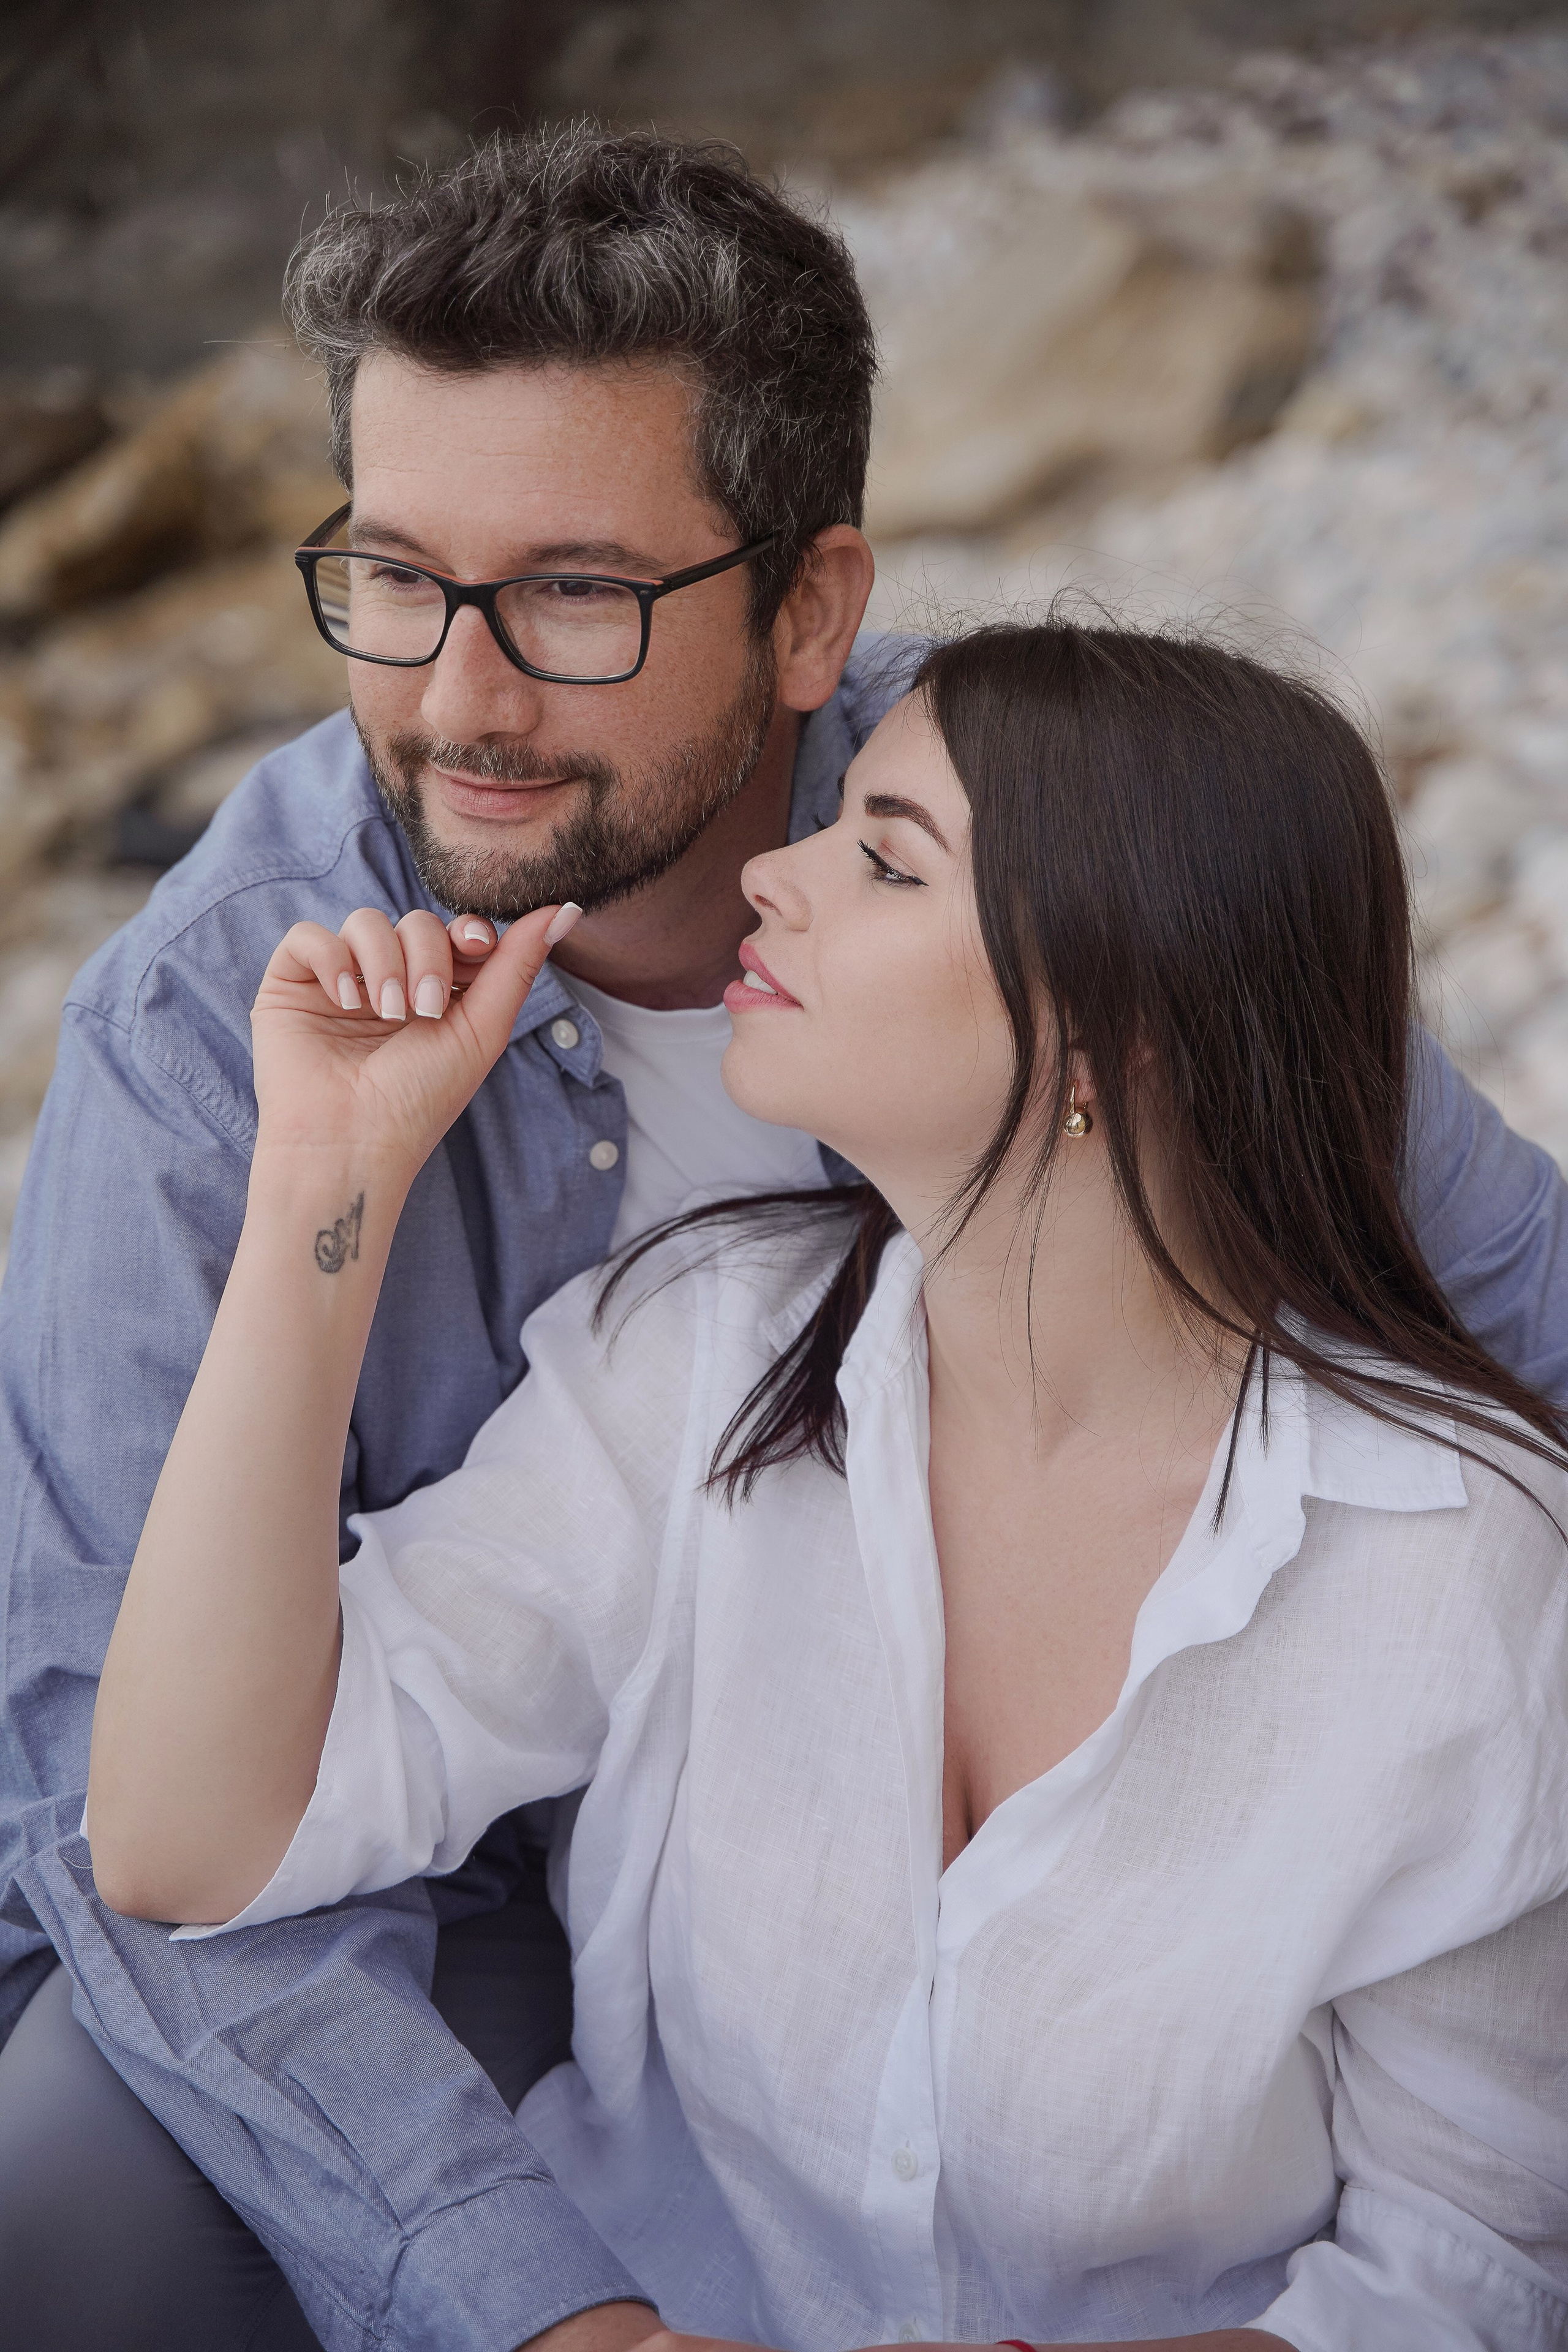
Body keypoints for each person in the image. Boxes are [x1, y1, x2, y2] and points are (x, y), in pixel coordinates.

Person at [0, 128, 1566, 2352]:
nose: (453, 700)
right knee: (55, 2183)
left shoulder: (1096, 855)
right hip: (431, 1881)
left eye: (569, 594)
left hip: (1055, 1983)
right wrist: (550, 2316)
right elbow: (132, 1817)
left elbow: (1518, 1350)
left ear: (809, 607)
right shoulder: (233, 1024)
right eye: (390, 574)